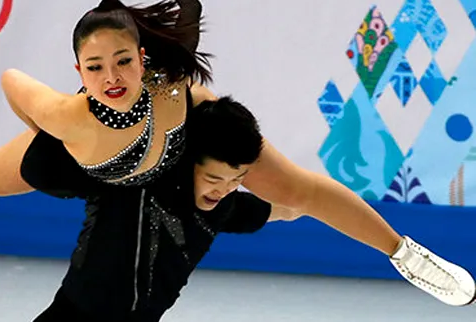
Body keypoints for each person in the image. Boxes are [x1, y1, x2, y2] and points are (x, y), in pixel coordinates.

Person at [0, 0, 475, 307]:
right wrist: (45, 124)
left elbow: (299, 189)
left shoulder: (181, 97)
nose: (111, 76)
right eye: (94, 67)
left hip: (155, 164)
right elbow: (11, 82)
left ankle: (405, 253)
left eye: (123, 60)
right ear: (78, 70)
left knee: (297, 190)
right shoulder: (69, 113)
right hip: (78, 156)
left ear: (143, 59)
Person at [26, 93, 302, 321]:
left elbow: (281, 209)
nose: (224, 189)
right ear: (189, 162)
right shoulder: (134, 180)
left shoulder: (223, 207)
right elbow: (37, 171)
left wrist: (307, 205)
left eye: (236, 180)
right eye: (213, 178)